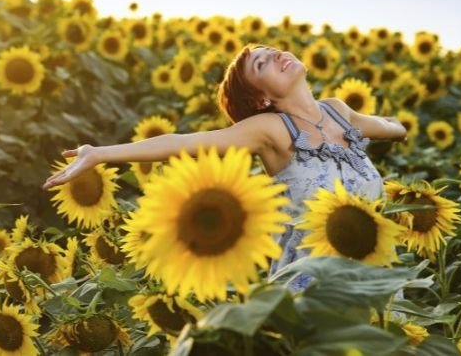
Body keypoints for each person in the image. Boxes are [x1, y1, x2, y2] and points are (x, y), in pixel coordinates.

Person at [41, 44, 407, 292]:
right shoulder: (271, 130)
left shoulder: (338, 113)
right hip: (312, 292)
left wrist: (397, 128)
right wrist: (100, 153)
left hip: (374, 278)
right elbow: (184, 144)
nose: (277, 55)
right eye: (261, 63)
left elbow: (389, 126)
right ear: (262, 98)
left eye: (272, 50)